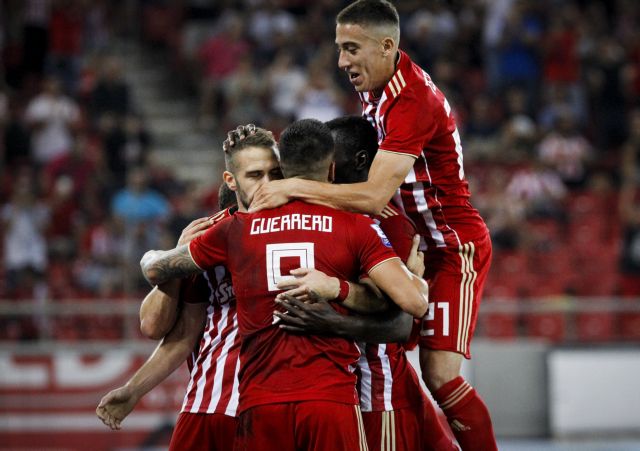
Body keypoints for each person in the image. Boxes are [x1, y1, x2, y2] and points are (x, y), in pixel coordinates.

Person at [248, 1, 497, 449]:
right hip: (411, 235)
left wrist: (294, 187)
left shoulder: (412, 100)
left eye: (351, 49)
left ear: (386, 46)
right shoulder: (376, 88)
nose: (341, 61)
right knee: (393, 352)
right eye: (339, 48)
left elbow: (373, 195)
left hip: (449, 246)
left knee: (440, 375)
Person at [97, 125, 420, 449]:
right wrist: (134, 390)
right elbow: (162, 328)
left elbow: (394, 310)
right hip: (223, 400)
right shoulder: (215, 233)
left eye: (274, 174)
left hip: (270, 402)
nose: (267, 184)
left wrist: (338, 293)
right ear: (231, 180)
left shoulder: (252, 230)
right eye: (255, 175)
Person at [275, 116, 457, 451]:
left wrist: (332, 322)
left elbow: (401, 325)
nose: (323, 168)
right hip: (329, 389)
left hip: (376, 388)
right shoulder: (319, 216)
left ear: (357, 161)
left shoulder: (389, 225)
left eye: (330, 157)